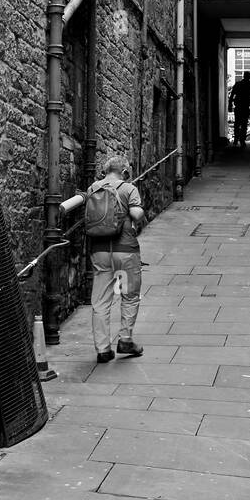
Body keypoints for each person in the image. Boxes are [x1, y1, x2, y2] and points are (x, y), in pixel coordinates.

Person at [88, 156, 145, 364]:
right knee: (129, 294)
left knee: (101, 300)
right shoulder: (128, 188)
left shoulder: (93, 188)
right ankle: (125, 340)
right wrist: (135, 209)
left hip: (100, 252)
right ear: (125, 171)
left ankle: (103, 349)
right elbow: (137, 215)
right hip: (125, 252)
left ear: (105, 170)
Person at [228, 71, 250, 148]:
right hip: (245, 107)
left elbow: (232, 95)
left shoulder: (238, 84)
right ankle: (242, 140)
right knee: (244, 124)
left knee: (237, 123)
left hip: (238, 106)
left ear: (243, 76)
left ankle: (236, 139)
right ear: (249, 77)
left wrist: (230, 105)